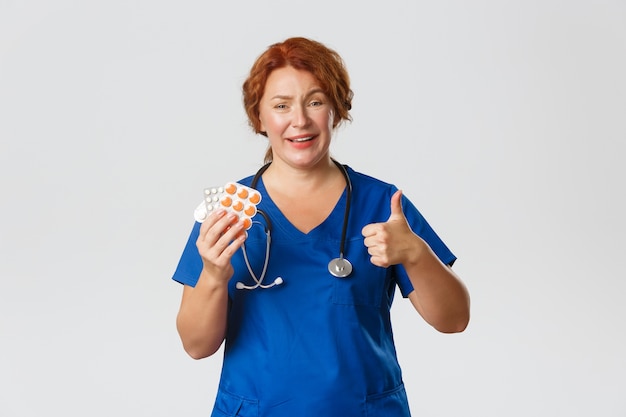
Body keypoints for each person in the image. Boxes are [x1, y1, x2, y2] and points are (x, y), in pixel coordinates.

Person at [172, 36, 470, 417]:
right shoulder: (228, 213)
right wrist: (213, 274)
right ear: (259, 117)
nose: (300, 120)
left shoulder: (383, 205)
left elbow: (454, 319)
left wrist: (415, 253)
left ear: (336, 109)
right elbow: (197, 346)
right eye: (281, 106)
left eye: (315, 101)